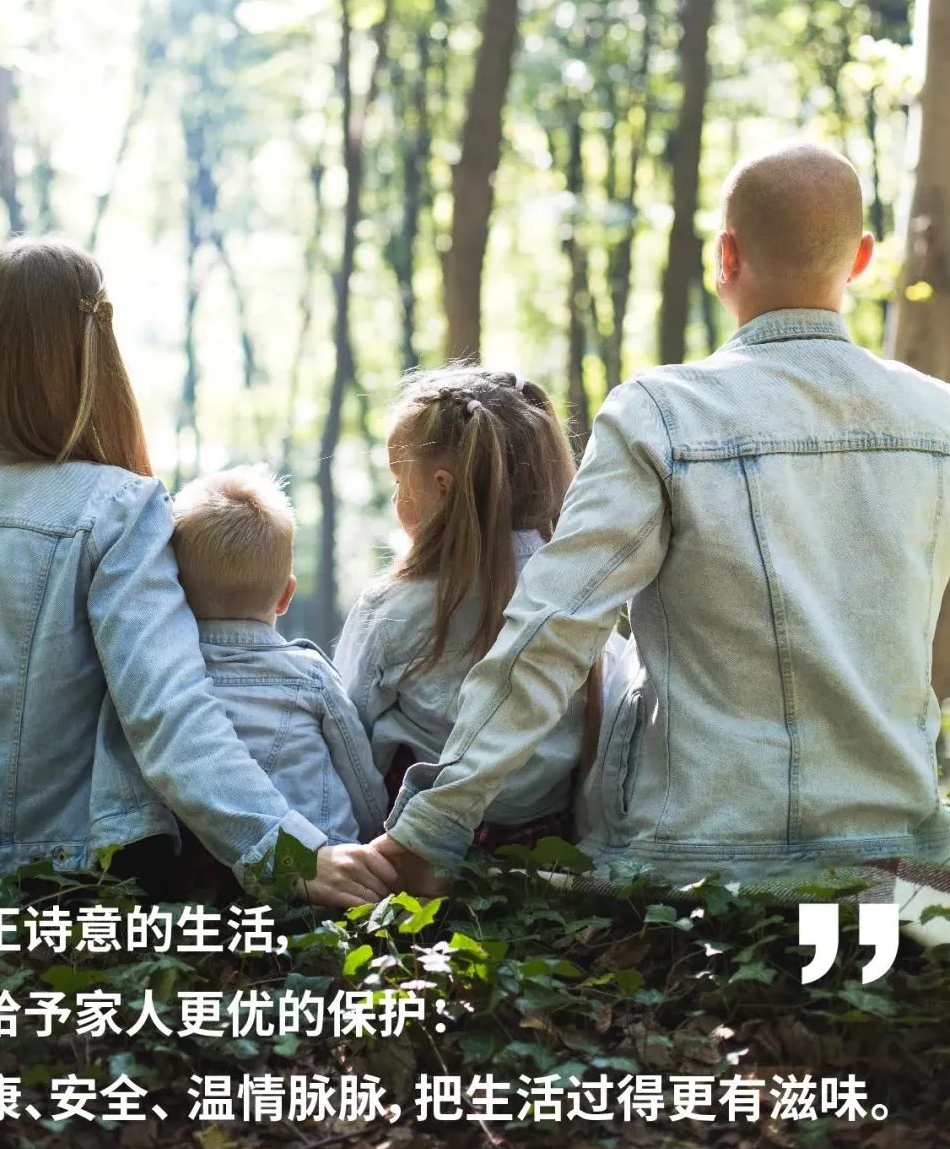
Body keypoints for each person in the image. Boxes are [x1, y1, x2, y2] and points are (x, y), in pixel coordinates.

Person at [375, 142, 950, 892]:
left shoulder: (662, 415)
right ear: (864, 258)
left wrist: (433, 826)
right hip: (896, 867)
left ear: (726, 255)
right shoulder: (937, 419)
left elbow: (552, 629)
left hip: (693, 865)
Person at [0, 237, 395, 908]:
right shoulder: (116, 507)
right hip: (80, 888)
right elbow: (170, 712)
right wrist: (290, 853)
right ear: (92, 354)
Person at [335, 365, 594, 850]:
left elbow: (349, 730)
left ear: (443, 486)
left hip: (418, 842)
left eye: (398, 479)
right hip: (545, 836)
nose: (395, 496)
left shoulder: (393, 606)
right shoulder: (579, 591)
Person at [168, 464, 387, 887]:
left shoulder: (168, 678)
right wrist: (373, 838)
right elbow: (360, 776)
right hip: (323, 865)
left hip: (207, 876)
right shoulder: (309, 674)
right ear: (287, 595)